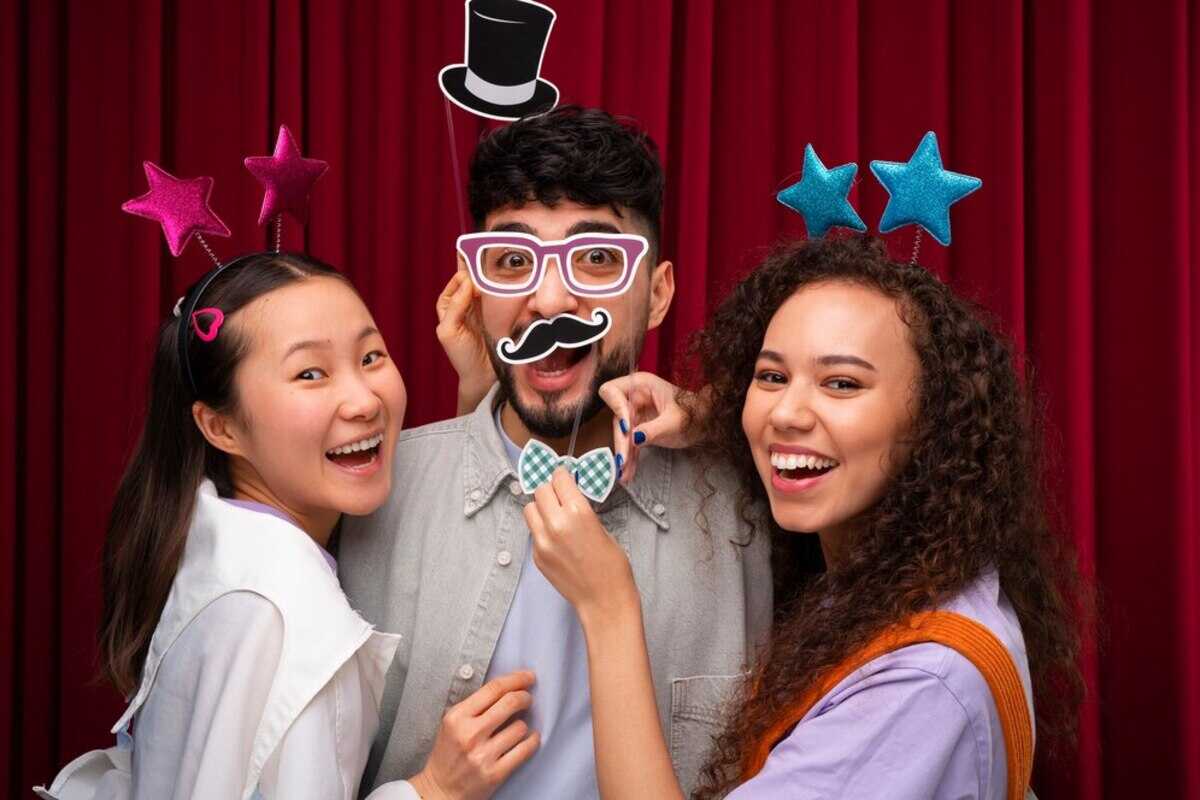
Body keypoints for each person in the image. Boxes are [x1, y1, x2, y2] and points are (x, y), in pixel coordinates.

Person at [525, 235, 1085, 799]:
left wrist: (608, 608)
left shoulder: (921, 683)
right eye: (770, 377)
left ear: (933, 422)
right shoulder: (923, 566)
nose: (786, 413)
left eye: (842, 383)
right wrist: (707, 413)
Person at [339, 106, 773, 799]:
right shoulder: (369, 499)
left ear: (658, 294)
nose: (549, 300)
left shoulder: (757, 507)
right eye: (512, 262)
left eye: (598, 259)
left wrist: (721, 415)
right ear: (475, 289)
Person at [36, 253, 536, 800]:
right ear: (220, 425)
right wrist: (434, 789)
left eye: (371, 356)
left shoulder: (227, 540)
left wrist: (477, 400)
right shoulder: (276, 615)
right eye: (310, 374)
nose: (364, 400)